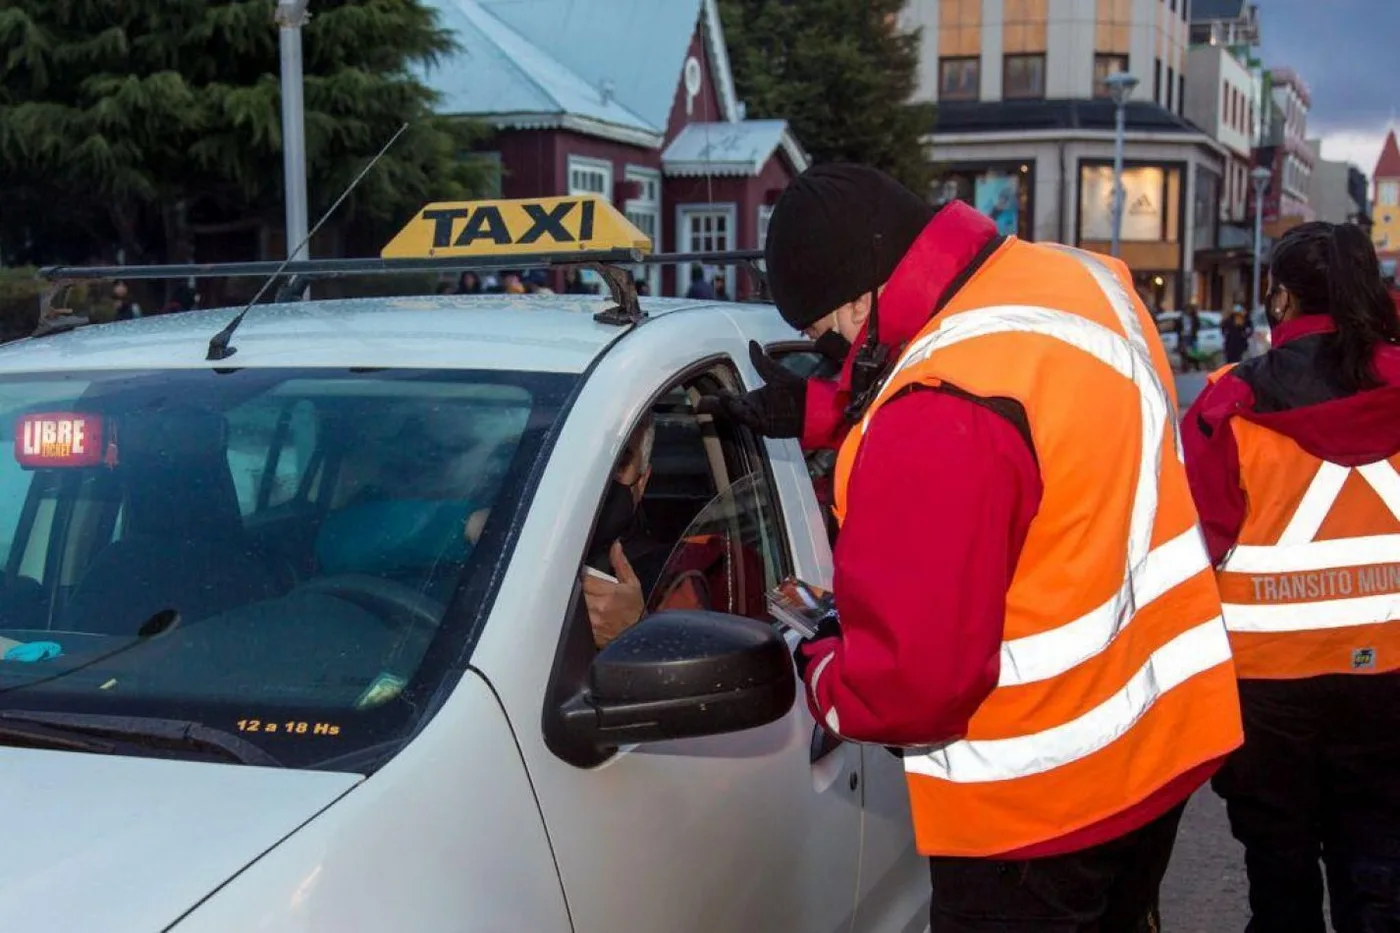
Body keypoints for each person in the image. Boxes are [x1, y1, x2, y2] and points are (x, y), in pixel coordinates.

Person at [699, 163, 1242, 931]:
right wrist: (831, 403)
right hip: (1155, 743)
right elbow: (1042, 426)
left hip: (1036, 808)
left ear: (862, 295)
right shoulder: (1086, 283)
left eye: (828, 334)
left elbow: (913, 687)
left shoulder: (938, 408)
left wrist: (822, 666)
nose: (832, 349)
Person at [1182, 221, 1400, 933]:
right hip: (1391, 675)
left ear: (1279, 296)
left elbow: (1195, 546)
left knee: (1279, 875)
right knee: (1381, 865)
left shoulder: (1226, 404)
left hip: (1266, 687)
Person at [1180, 303, 1202, 371]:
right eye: (1187, 309)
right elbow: (1177, 326)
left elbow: (1198, 325)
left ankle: (1196, 366)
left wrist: (1194, 331)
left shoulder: (1194, 317)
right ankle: (1185, 367)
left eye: (1189, 309)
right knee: (1184, 352)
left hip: (1192, 336)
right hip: (1184, 336)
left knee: (1194, 352)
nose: (1188, 311)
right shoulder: (1181, 317)